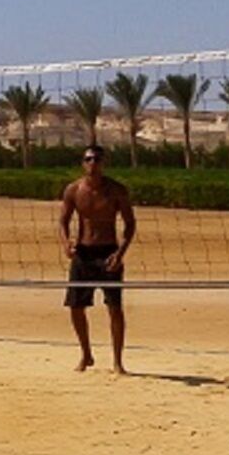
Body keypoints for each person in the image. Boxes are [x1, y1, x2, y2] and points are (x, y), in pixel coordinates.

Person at [58, 143, 137, 373]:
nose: (93, 164)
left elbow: (130, 223)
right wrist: (66, 244)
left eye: (97, 159)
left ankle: (118, 362)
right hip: (83, 252)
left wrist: (120, 253)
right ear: (83, 163)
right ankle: (86, 355)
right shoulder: (73, 190)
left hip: (109, 252)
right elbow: (62, 221)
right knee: (75, 306)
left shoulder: (117, 190)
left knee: (115, 307)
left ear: (104, 163)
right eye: (89, 159)